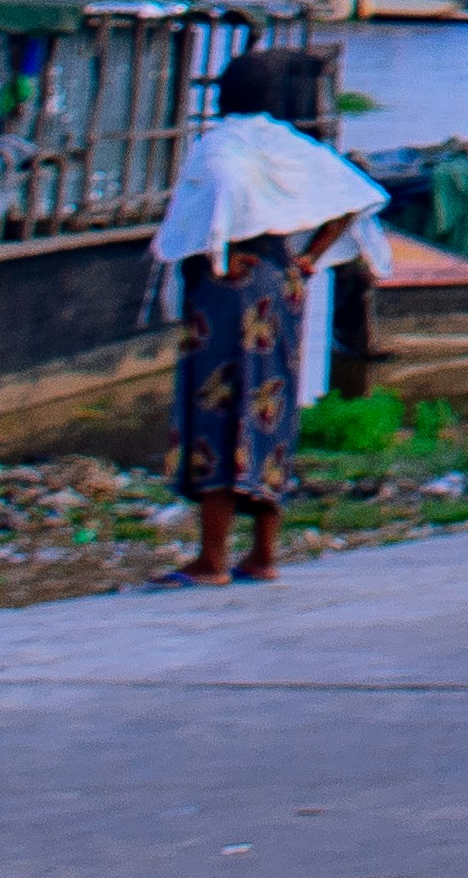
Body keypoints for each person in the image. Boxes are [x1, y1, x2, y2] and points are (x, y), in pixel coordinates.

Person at [146, 85, 384, 587]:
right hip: (280, 282)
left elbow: (219, 189)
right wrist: (310, 258)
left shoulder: (221, 144)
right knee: (270, 404)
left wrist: (219, 252)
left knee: (217, 408)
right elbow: (353, 192)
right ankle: (262, 554)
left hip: (229, 288)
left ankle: (212, 559)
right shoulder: (285, 144)